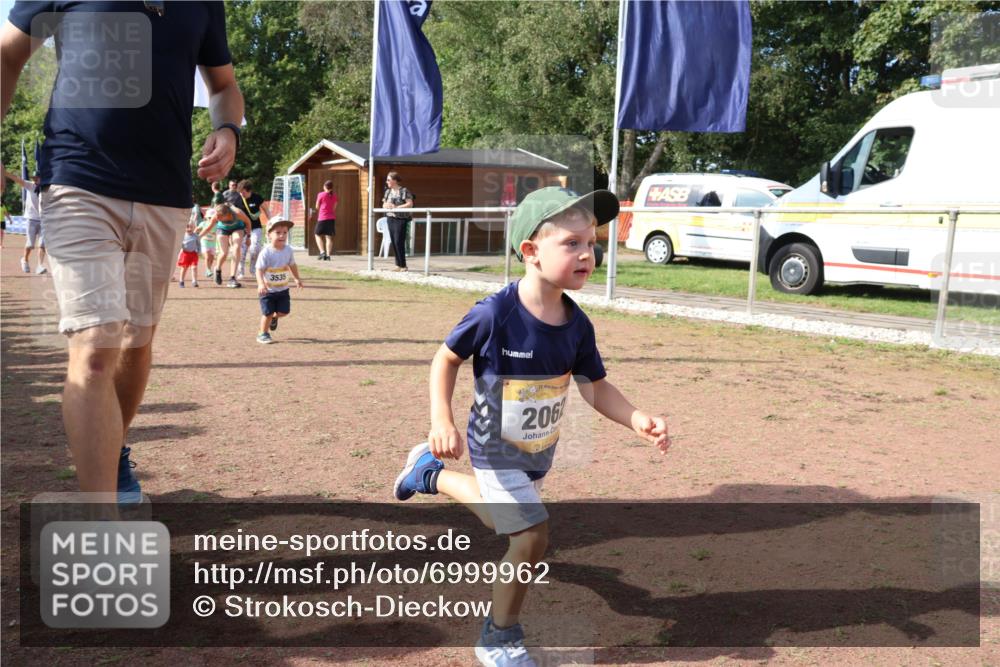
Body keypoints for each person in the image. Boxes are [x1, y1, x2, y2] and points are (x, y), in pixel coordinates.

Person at [392, 187, 670, 667]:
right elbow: (446, 359)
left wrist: (636, 418)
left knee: (506, 522)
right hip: (493, 448)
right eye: (572, 243)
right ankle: (498, 637)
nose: (588, 253)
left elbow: (595, 386)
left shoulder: (577, 324)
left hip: (536, 452)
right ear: (530, 251)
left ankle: (428, 474)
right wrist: (443, 418)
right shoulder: (495, 313)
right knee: (530, 536)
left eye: (592, 242)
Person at [1, 2, 243, 503]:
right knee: (94, 346)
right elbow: (7, 56)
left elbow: (222, 87)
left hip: (165, 192)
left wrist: (228, 130)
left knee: (136, 340)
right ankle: (100, 521)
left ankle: (112, 453)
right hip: (77, 180)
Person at [255, 216, 303, 344]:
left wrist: (297, 278)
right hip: (268, 291)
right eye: (278, 232)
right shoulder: (266, 252)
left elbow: (292, 265)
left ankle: (275, 318)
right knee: (267, 313)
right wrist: (260, 284)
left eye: (285, 232)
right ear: (269, 234)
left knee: (284, 311)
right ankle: (263, 334)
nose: (282, 235)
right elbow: (259, 269)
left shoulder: (288, 250)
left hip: (283, 289)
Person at [5, 169, 47, 274]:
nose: (35, 180)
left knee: (42, 244)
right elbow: (17, 179)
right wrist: (4, 173)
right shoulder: (30, 186)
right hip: (31, 219)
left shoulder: (46, 189)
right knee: (30, 245)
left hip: (43, 220)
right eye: (34, 178)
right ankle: (25, 260)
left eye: (37, 178)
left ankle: (40, 266)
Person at [201, 202, 250, 287]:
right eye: (217, 216)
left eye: (220, 217)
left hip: (238, 227)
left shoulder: (238, 213)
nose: (217, 218)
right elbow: (208, 228)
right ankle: (218, 269)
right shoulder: (216, 216)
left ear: (227, 214)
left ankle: (232, 278)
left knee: (237, 247)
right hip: (223, 229)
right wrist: (197, 237)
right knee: (224, 253)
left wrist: (249, 237)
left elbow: (248, 222)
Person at [383, 171, 413, 271]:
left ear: (394, 181)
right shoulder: (387, 191)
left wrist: (397, 207)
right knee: (394, 241)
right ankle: (398, 265)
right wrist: (387, 205)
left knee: (398, 241)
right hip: (390, 218)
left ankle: (403, 265)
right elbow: (384, 204)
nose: (387, 181)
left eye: (388, 180)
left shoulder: (404, 191)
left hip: (401, 219)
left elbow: (409, 204)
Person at [238, 179, 267, 278]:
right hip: (242, 229)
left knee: (255, 248)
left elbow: (266, 210)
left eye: (243, 192)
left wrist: (271, 222)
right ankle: (240, 271)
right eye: (240, 192)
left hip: (256, 228)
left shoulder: (257, 198)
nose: (241, 194)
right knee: (242, 251)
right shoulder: (238, 199)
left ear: (249, 190)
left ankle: (253, 269)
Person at [314, 179, 338, 260]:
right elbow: (334, 208)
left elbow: (317, 207)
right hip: (331, 218)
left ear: (324, 187)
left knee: (317, 234)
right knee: (328, 237)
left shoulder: (321, 194)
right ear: (332, 188)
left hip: (323, 218)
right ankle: (328, 255)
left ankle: (322, 252)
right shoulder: (334, 196)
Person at [174, 220, 200, 288]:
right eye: (187, 227)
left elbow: (198, 244)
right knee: (184, 268)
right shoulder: (183, 236)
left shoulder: (196, 236)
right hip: (185, 254)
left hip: (194, 254)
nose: (189, 229)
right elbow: (179, 245)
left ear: (194, 227)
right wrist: (179, 253)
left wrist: (199, 251)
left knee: (194, 267)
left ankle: (194, 281)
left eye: (191, 227)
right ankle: (181, 281)